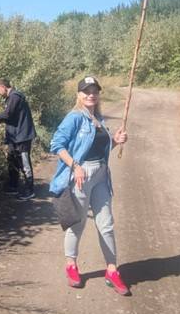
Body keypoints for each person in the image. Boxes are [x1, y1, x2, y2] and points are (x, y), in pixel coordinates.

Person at [48, 76, 131, 296]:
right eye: (86, 91)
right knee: (78, 223)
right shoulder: (75, 117)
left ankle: (112, 270)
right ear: (79, 95)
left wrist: (115, 141)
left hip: (101, 175)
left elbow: (99, 150)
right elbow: (56, 144)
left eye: (94, 91)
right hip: (81, 176)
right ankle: (71, 265)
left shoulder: (99, 119)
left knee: (107, 224)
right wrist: (75, 166)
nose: (91, 95)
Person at [0, 78, 37, 200]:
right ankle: (13, 186)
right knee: (12, 160)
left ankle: (29, 190)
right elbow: (10, 116)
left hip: (22, 136)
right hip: (14, 136)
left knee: (24, 162)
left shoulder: (15, 97)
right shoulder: (11, 98)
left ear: (3, 87)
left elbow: (8, 114)